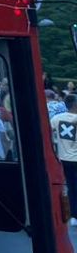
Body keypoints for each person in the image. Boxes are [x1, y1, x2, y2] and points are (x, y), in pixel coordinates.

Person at [51, 90, 77, 222]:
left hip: (64, 158)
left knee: (72, 186)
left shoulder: (56, 118)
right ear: (74, 105)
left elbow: (48, 132)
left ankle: (74, 215)